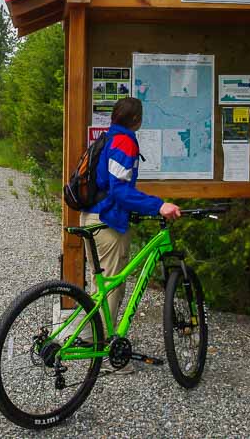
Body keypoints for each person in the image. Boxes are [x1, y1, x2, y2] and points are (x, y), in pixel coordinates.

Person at [81, 97, 181, 371]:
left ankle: (89, 338)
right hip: (107, 223)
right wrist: (158, 205)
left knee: (99, 284)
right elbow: (120, 190)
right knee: (112, 286)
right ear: (137, 120)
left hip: (93, 217)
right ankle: (104, 355)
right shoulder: (124, 141)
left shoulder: (108, 137)